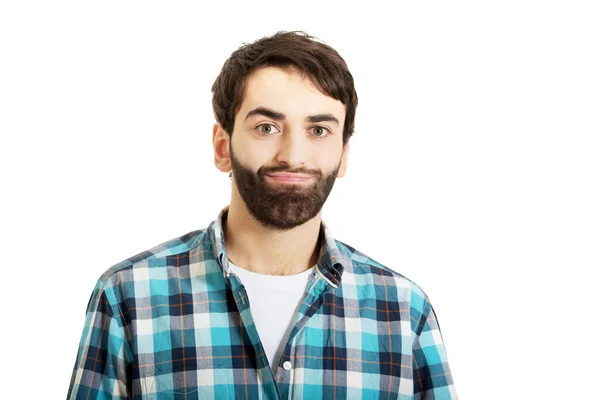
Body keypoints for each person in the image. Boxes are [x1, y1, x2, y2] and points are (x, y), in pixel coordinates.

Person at [67, 31, 457, 400]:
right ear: (223, 147)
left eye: (318, 130)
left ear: (344, 154)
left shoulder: (404, 312)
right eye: (267, 127)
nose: (293, 154)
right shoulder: (127, 297)